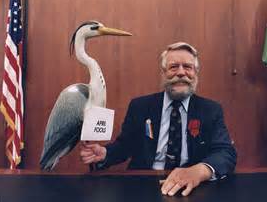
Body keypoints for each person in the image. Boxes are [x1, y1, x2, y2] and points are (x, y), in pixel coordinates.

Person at [80, 42, 237, 196]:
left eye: (188, 67)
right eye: (174, 67)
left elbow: (225, 152)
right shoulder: (139, 106)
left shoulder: (210, 110)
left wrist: (199, 171)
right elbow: (125, 146)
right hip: (143, 185)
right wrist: (105, 153)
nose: (181, 73)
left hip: (191, 186)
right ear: (163, 73)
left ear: (195, 73)